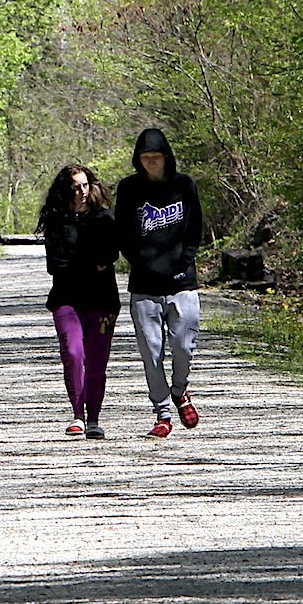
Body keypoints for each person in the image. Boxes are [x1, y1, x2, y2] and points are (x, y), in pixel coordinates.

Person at [115, 127, 204, 439]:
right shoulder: (128, 189)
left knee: (184, 345)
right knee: (151, 352)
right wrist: (138, 260)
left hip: (182, 282)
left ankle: (180, 390)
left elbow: (195, 229)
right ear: (138, 159)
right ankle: (163, 412)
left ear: (167, 157)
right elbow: (122, 231)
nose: (151, 162)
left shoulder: (185, 186)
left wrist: (185, 260)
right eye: (145, 157)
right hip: (144, 284)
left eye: (156, 157)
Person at [37, 164, 120, 439]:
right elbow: (56, 265)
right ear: (65, 190)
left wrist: (82, 262)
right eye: (75, 187)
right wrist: (90, 263)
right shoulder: (56, 222)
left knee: (97, 362)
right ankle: (78, 415)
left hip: (103, 300)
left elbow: (109, 257)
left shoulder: (104, 219)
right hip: (66, 299)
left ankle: (94, 418)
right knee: (73, 354)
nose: (81, 191)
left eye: (85, 185)